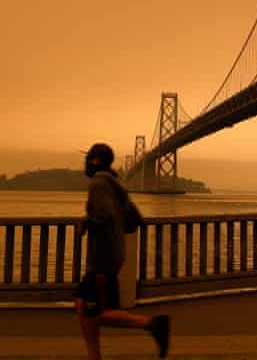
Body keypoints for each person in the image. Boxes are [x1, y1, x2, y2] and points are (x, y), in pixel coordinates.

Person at [75, 143, 170, 359]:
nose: (85, 163)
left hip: (102, 259)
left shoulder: (98, 182)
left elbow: (105, 217)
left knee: (97, 312)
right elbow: (134, 220)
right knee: (82, 306)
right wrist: (116, 227)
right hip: (113, 256)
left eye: (88, 158)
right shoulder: (115, 184)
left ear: (96, 160)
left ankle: (153, 324)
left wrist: (86, 223)